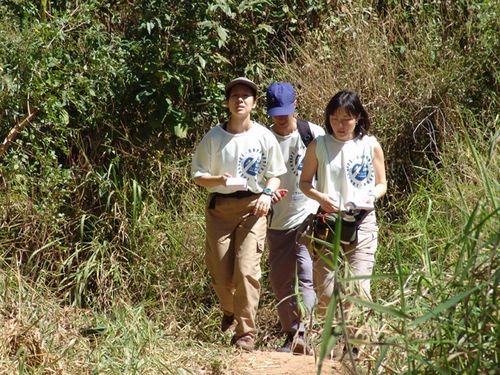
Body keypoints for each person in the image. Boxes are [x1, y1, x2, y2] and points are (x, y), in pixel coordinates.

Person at [191, 77, 287, 351]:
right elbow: (198, 176)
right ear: (227, 102)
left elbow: (276, 175)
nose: (240, 100)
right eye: (235, 96)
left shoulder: (263, 136)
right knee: (221, 274)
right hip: (220, 209)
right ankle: (229, 310)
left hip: (254, 208)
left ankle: (246, 333)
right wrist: (217, 179)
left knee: (247, 271)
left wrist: (267, 196)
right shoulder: (214, 137)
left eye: (246, 96)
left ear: (254, 103)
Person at [299, 90, 387, 355]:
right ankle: (331, 341)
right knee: (326, 289)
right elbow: (304, 183)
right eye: (335, 118)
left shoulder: (370, 145)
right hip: (329, 222)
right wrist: (320, 197)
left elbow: (382, 183)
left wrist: (372, 194)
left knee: (360, 286)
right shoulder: (319, 145)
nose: (340, 124)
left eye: (346, 118)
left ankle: (358, 347)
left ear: (357, 118)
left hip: (362, 221)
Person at [265, 82, 325, 354]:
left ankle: (305, 333)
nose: (280, 117)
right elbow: (257, 176)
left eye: (285, 111)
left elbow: (327, 169)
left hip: (308, 215)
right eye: (275, 111)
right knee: (280, 281)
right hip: (277, 220)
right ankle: (291, 334)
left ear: (295, 107)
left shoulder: (312, 133)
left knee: (306, 276)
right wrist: (266, 195)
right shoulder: (264, 139)